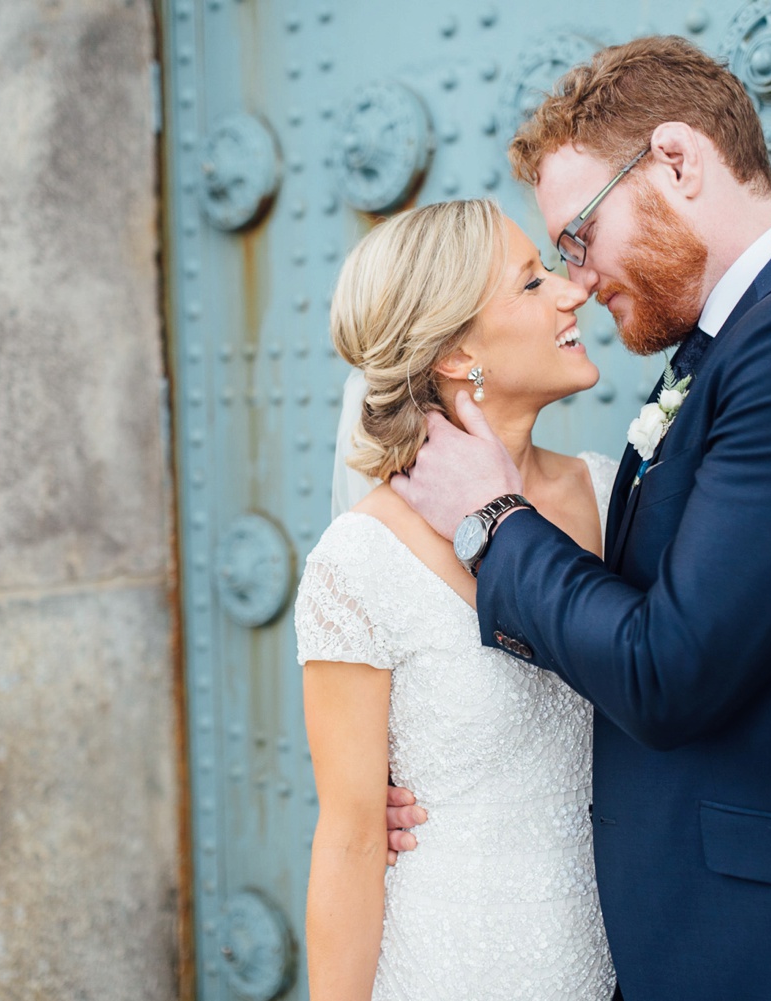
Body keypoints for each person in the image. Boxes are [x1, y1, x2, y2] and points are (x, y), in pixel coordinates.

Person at [386, 37, 771, 1001]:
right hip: (722, 940)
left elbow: (669, 668)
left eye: (580, 234)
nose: (580, 279)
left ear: (676, 161)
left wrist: (492, 517)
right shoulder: (742, 350)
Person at [297, 198, 619, 1000]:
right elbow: (349, 839)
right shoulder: (360, 559)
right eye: (532, 283)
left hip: (624, 964)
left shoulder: (616, 497)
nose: (572, 291)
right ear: (456, 352)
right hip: (450, 964)